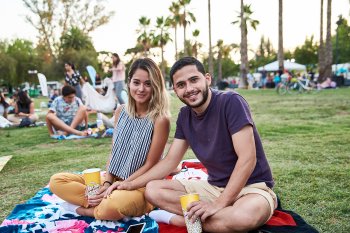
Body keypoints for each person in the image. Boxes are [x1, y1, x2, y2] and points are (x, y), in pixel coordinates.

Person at [112, 57, 277, 233]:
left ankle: (178, 220)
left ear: (207, 79)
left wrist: (218, 205)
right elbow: (169, 162)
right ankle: (215, 219)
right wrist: (130, 184)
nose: (189, 89)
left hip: (252, 188)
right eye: (181, 85)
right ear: (175, 89)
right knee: (152, 189)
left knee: (244, 217)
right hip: (213, 187)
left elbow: (247, 159)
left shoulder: (231, 102)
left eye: (194, 80)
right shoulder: (185, 116)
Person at [49, 58, 170, 221]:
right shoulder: (120, 111)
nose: (141, 89)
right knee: (57, 181)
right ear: (129, 83)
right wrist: (107, 183)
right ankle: (97, 201)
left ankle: (85, 210)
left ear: (156, 86)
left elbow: (151, 164)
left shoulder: (160, 120)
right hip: (114, 177)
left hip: (141, 186)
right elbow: (115, 152)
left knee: (112, 206)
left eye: (148, 84)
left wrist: (121, 186)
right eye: (136, 82)